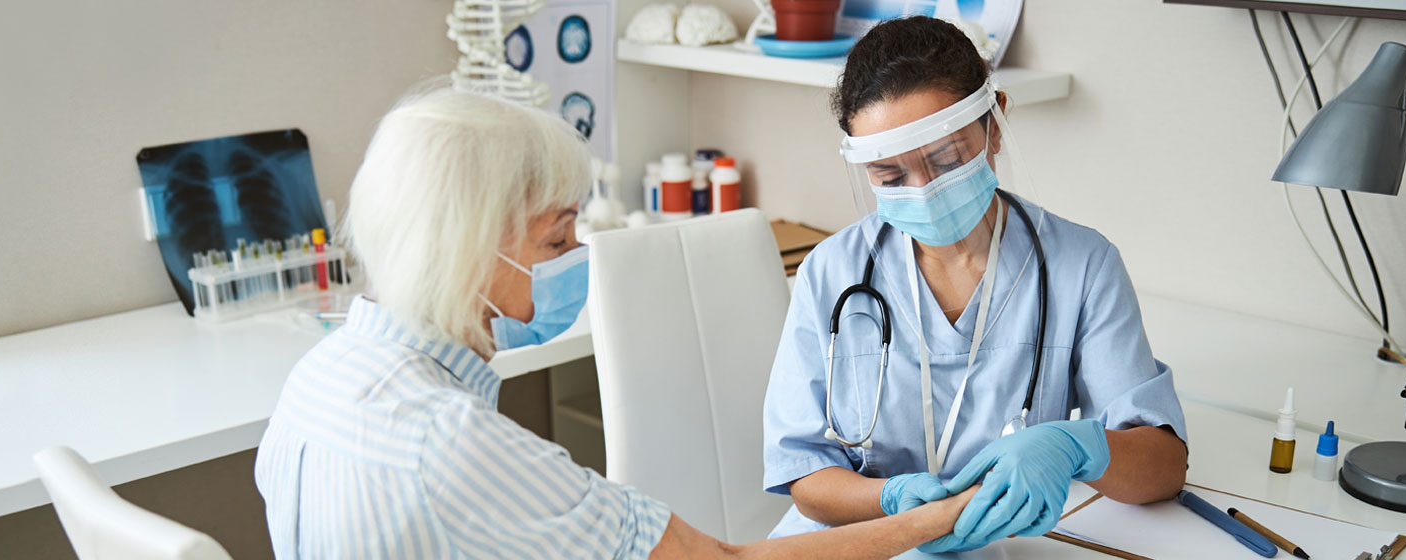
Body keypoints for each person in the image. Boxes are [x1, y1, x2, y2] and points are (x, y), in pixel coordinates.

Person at [255, 86, 979, 559]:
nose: (580, 257)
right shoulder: (454, 444)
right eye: (556, 239)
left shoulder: (317, 381)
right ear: (470, 250)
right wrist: (940, 516)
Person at [761, 17, 1189, 553]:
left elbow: (1164, 469)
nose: (924, 190)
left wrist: (1076, 447)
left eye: (947, 159)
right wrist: (890, 499)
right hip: (858, 542)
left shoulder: (1082, 266)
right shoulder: (832, 271)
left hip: (1010, 543)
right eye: (890, 177)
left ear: (995, 121)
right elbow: (806, 476)